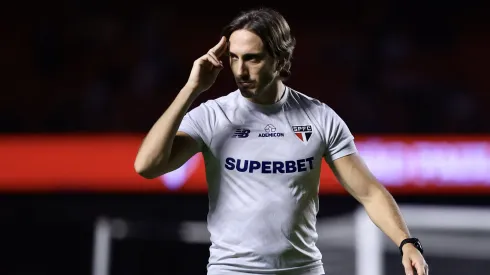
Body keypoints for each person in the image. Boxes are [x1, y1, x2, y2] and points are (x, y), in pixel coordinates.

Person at [134, 7, 429, 275]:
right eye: (233, 58)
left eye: (252, 58)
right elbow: (147, 166)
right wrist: (191, 88)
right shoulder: (213, 115)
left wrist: (407, 242)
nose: (239, 70)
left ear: (280, 59)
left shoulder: (319, 117)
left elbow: (369, 192)